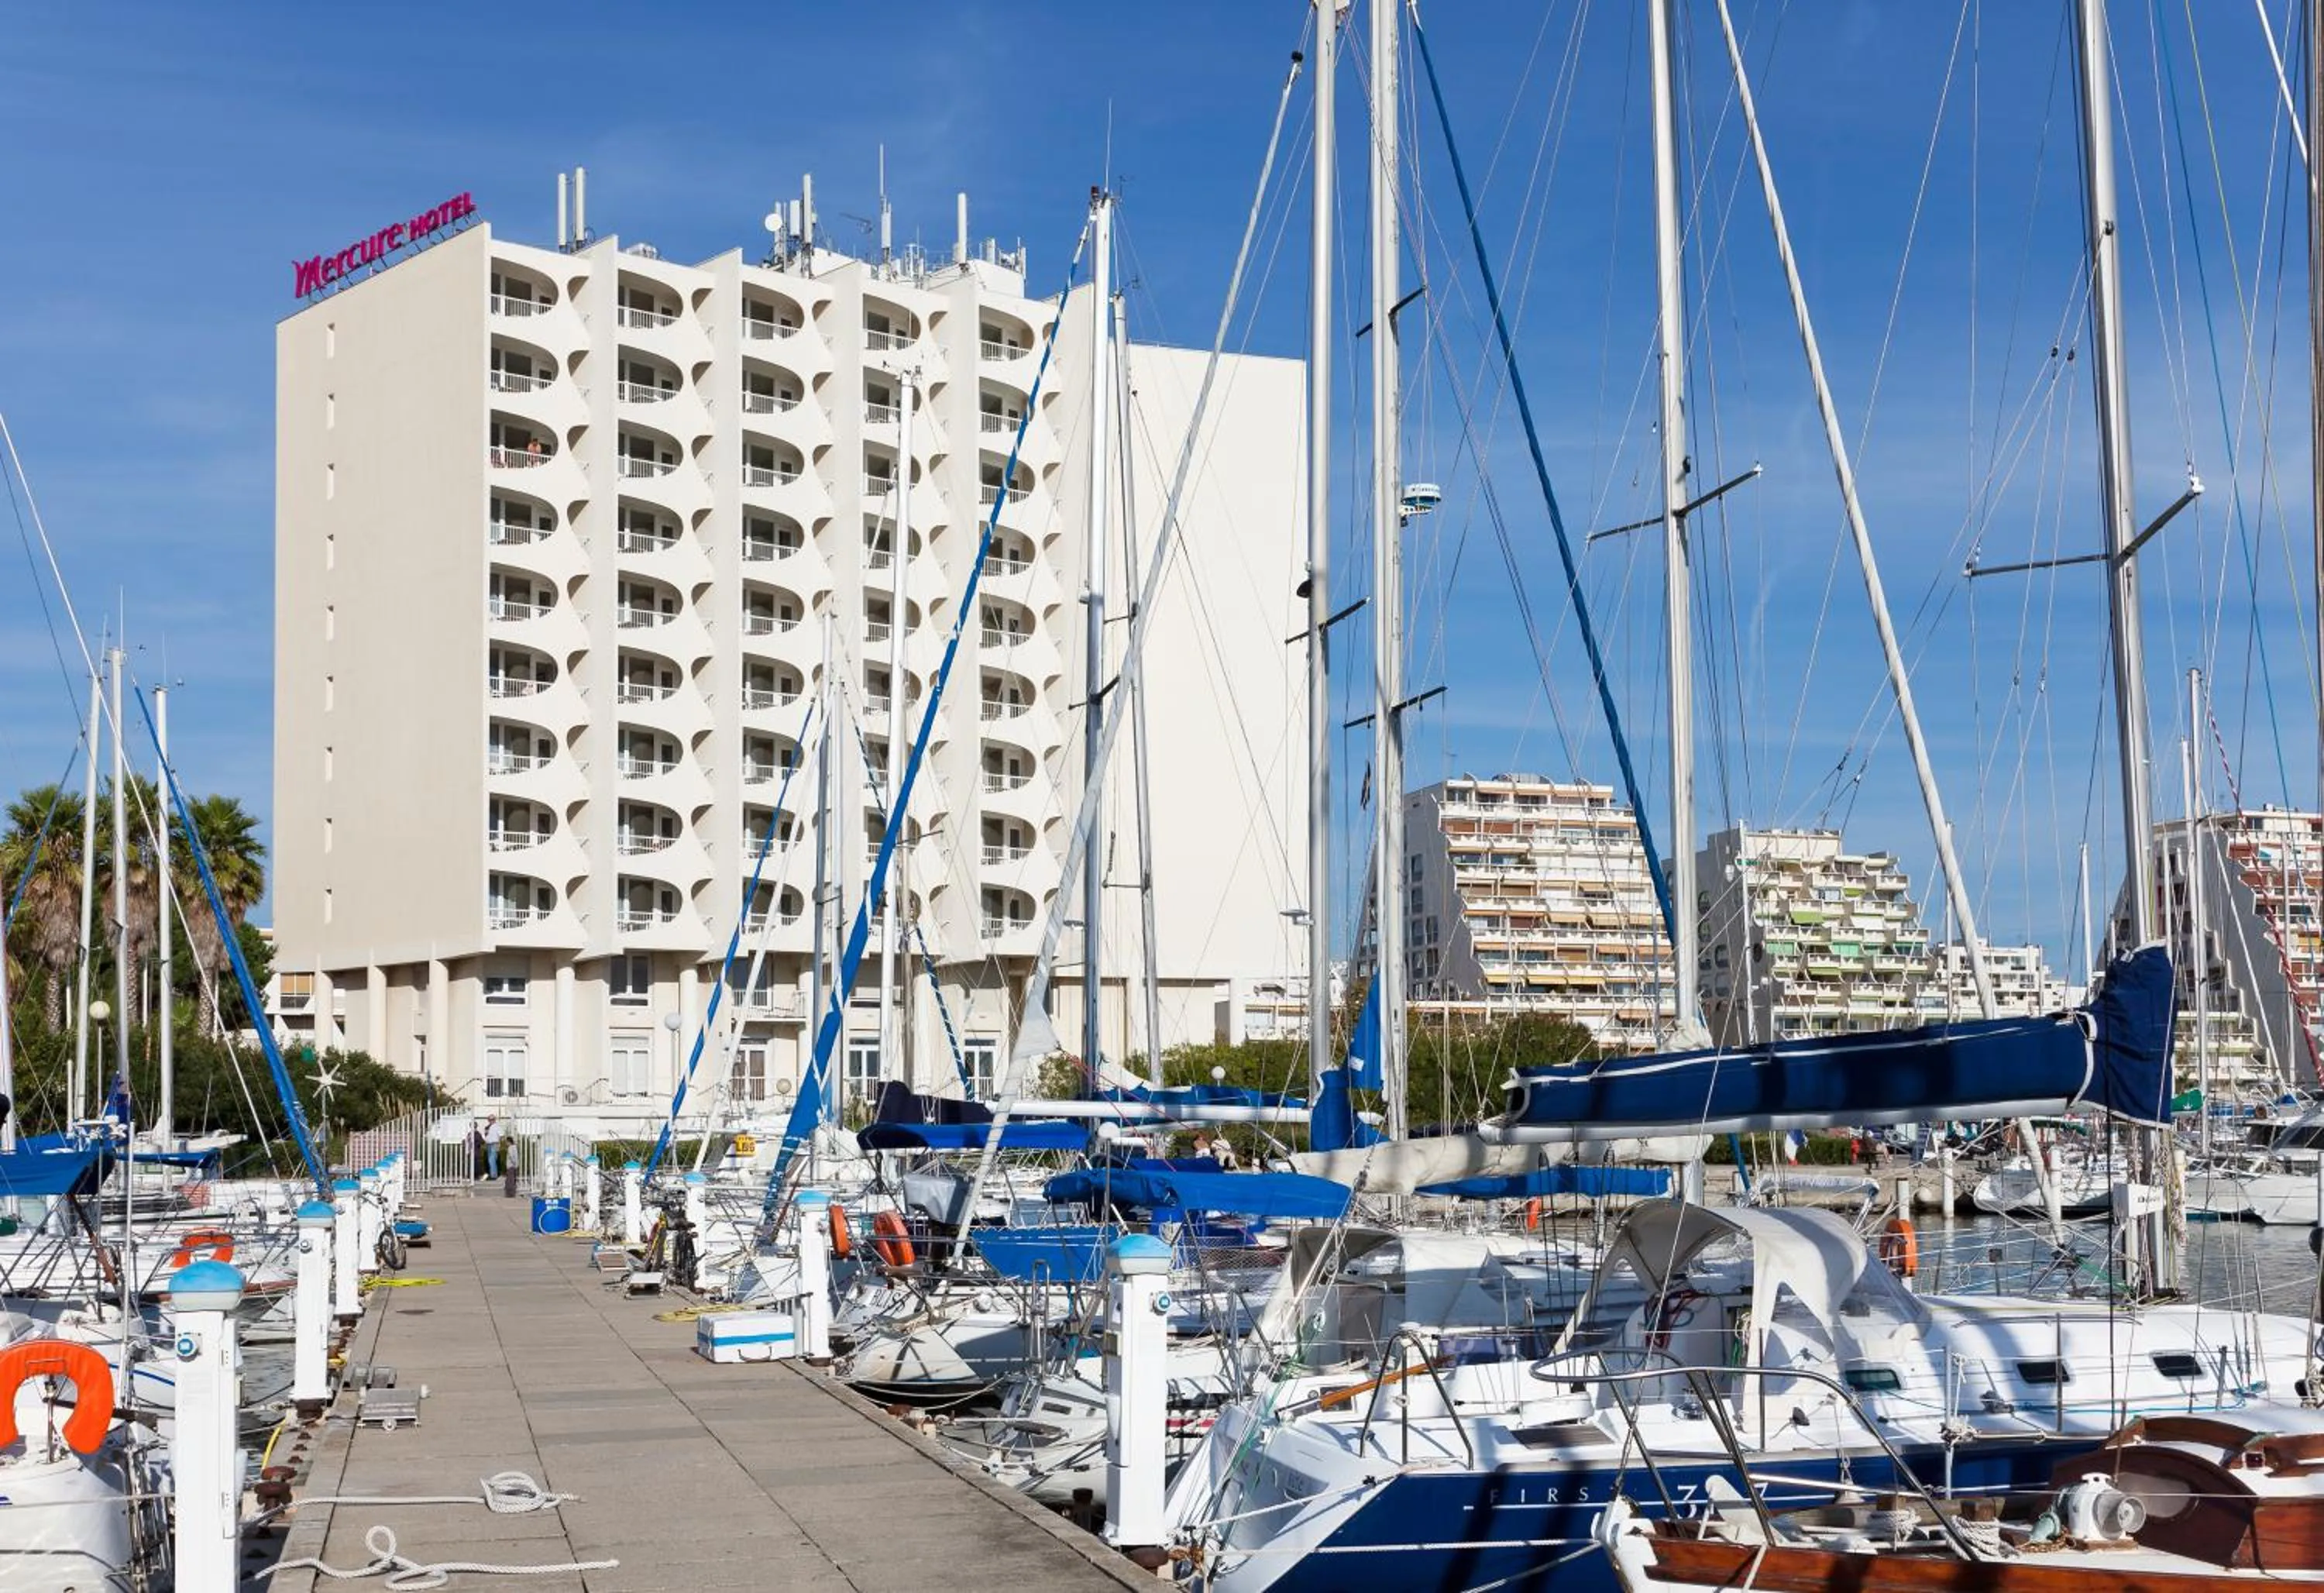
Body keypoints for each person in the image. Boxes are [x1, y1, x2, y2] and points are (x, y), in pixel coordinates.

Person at [501, 1134, 519, 1199]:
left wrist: (514, 1163)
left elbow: (511, 1156)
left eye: (506, 1142)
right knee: (512, 1180)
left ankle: (510, 1193)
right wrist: (516, 1164)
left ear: (509, 1142)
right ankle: (512, 1192)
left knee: (509, 1180)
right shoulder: (515, 1147)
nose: (506, 1143)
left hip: (510, 1166)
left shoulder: (510, 1148)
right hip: (514, 1166)